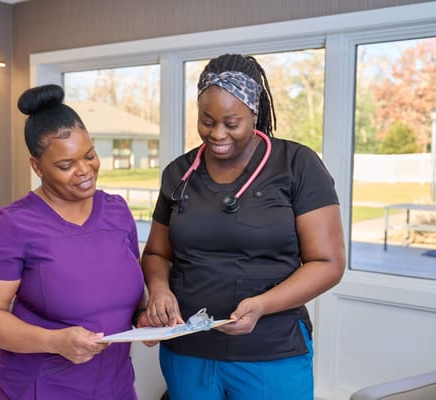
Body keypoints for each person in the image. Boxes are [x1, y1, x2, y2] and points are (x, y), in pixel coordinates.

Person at [138, 54, 346, 400]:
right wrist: (159, 289)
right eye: (207, 121)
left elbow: (328, 263)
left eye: (231, 122)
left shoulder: (297, 165)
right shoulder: (179, 172)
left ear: (255, 113)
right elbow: (158, 252)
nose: (217, 134)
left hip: (270, 351)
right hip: (188, 347)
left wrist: (262, 305)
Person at [0, 84, 145, 399]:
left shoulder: (117, 210)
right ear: (37, 167)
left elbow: (128, 296)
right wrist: (54, 341)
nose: (84, 171)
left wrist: (147, 317)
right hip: (42, 385)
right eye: (66, 165)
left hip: (113, 383)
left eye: (89, 155)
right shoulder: (12, 225)